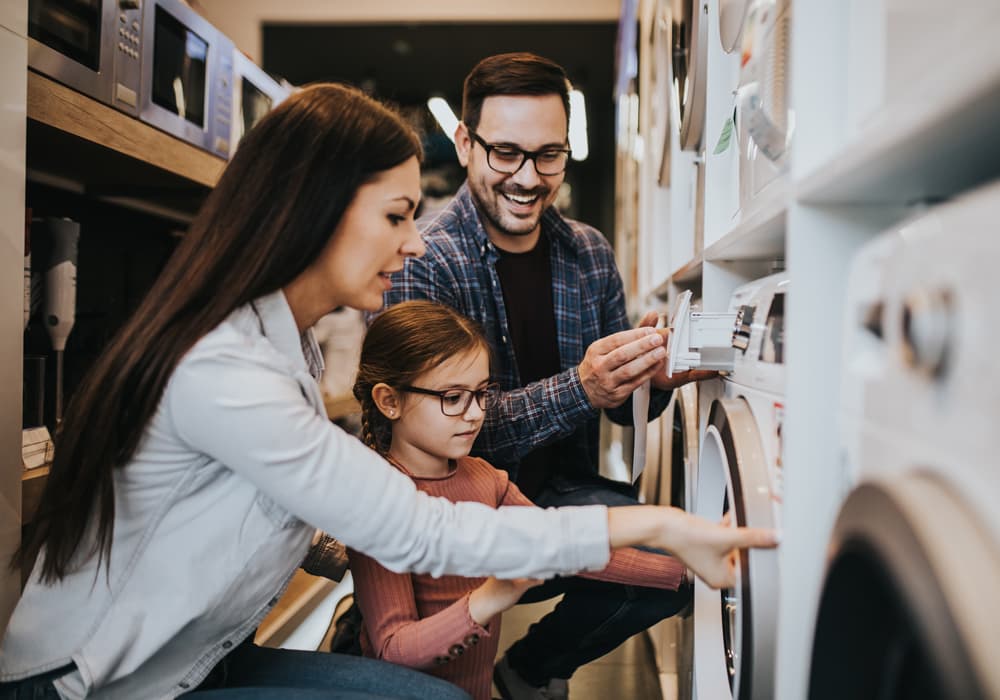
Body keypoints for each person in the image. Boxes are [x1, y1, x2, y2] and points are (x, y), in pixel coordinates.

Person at [0, 83, 774, 700]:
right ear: (317, 211)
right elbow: (424, 529)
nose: (412, 242)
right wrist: (669, 525)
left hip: (200, 656)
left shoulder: (285, 341)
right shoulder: (228, 370)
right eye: (397, 215)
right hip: (93, 684)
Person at [379, 53, 717, 698]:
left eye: (549, 156)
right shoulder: (424, 260)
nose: (528, 178)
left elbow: (619, 413)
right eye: (505, 153)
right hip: (456, 512)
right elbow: (435, 436)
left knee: (675, 567)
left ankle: (529, 670)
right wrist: (582, 386)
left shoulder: (587, 251)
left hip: (559, 493)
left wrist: (649, 377)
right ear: (465, 143)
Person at [348, 300, 702, 700]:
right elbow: (394, 650)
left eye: (482, 394)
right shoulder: (375, 501)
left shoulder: (485, 478)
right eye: (452, 397)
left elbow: (572, 546)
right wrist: (490, 598)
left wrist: (685, 572)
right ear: (389, 401)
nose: (474, 414)